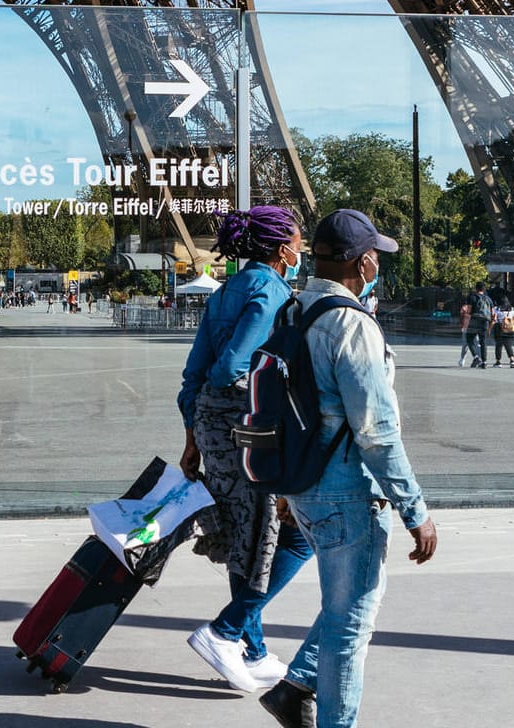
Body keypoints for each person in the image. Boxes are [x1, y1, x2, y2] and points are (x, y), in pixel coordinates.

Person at [260, 210, 437, 728]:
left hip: (304, 483)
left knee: (347, 605)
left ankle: (295, 689)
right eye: (375, 254)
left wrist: (287, 490)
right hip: (346, 490)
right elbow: (377, 433)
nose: (378, 261)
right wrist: (416, 511)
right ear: (363, 263)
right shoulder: (351, 324)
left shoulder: (293, 311)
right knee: (350, 624)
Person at [177, 205, 312, 693]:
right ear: (281, 249)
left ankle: (250, 648)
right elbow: (233, 365)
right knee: (284, 535)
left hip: (214, 427)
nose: (302, 249)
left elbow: (194, 374)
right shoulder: (272, 291)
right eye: (298, 241)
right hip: (246, 424)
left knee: (248, 537)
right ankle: (226, 631)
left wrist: (192, 438)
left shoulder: (226, 289)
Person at [468, 281, 494, 369]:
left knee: (469, 339)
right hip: (485, 321)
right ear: (484, 289)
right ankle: (484, 362)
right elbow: (493, 313)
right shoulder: (489, 299)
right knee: (483, 341)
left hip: (475, 320)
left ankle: (476, 357)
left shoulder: (472, 297)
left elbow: (469, 310)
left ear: (476, 288)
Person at [491, 295, 514, 369]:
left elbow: (494, 320)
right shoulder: (511, 310)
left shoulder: (497, 309)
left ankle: (498, 362)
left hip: (499, 329)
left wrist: (489, 329)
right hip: (509, 329)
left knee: (499, 345)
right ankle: (512, 360)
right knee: (508, 345)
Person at [455, 297, 473, 367]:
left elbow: (461, 317)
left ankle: (462, 359)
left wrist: (461, 324)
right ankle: (479, 358)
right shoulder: (476, 306)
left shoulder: (464, 307)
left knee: (465, 344)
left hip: (466, 327)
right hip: (475, 327)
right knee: (477, 344)